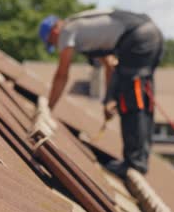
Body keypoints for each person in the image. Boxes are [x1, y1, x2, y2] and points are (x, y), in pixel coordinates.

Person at [38, 9, 164, 177]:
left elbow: (62, 75)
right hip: (149, 34)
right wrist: (109, 100)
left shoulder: (67, 31)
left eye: (52, 42)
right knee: (140, 97)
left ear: (54, 30)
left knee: (132, 98)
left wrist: (48, 109)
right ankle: (138, 159)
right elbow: (110, 66)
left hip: (136, 39)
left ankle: (135, 163)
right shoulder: (87, 29)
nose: (57, 46)